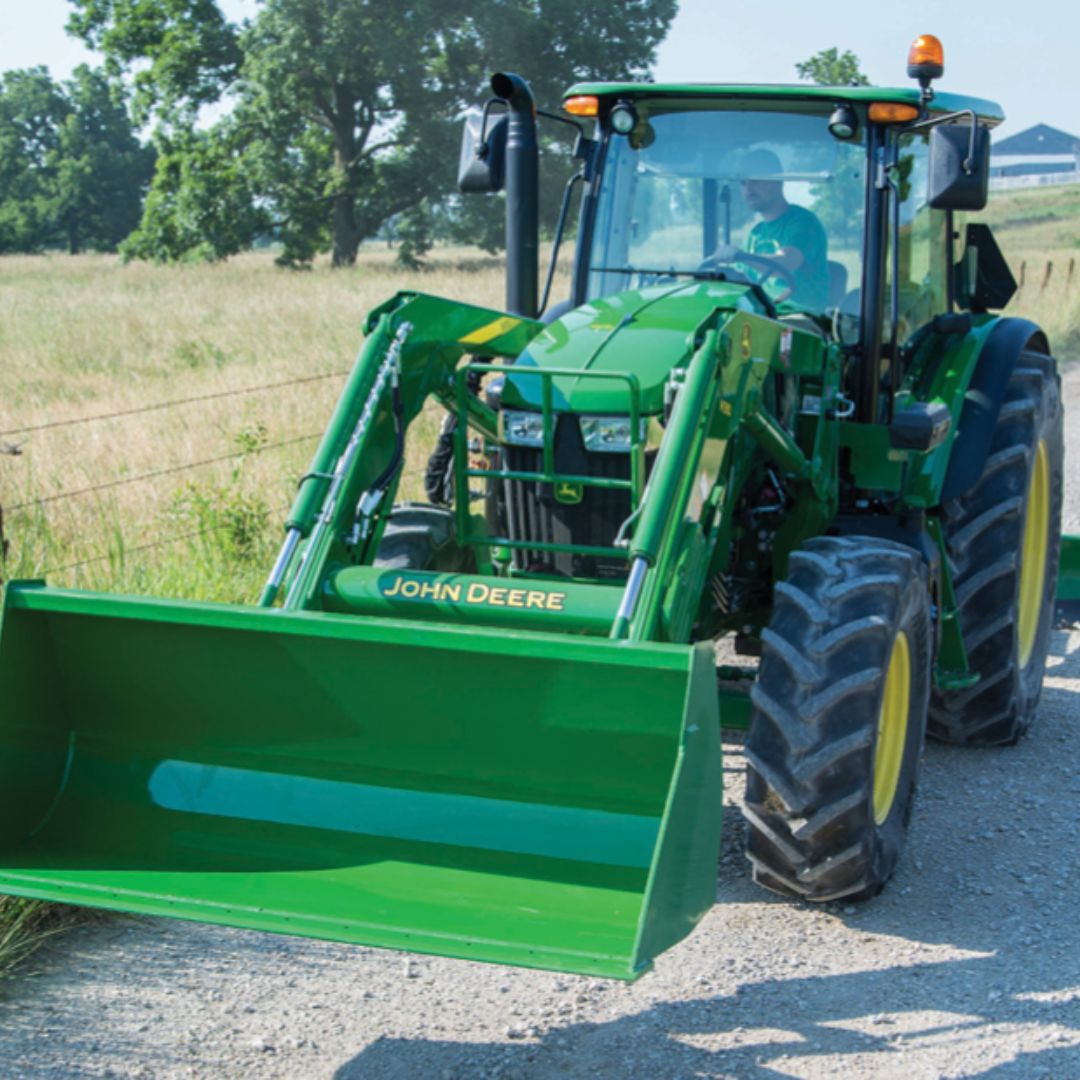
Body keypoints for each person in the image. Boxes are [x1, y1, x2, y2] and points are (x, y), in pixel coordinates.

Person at [710, 148, 829, 311]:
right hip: (765, 316)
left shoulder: (803, 223)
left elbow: (788, 261)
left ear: (777, 180)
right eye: (743, 183)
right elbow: (742, 277)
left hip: (802, 316)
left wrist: (742, 257)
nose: (748, 190)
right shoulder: (755, 233)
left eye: (755, 180)